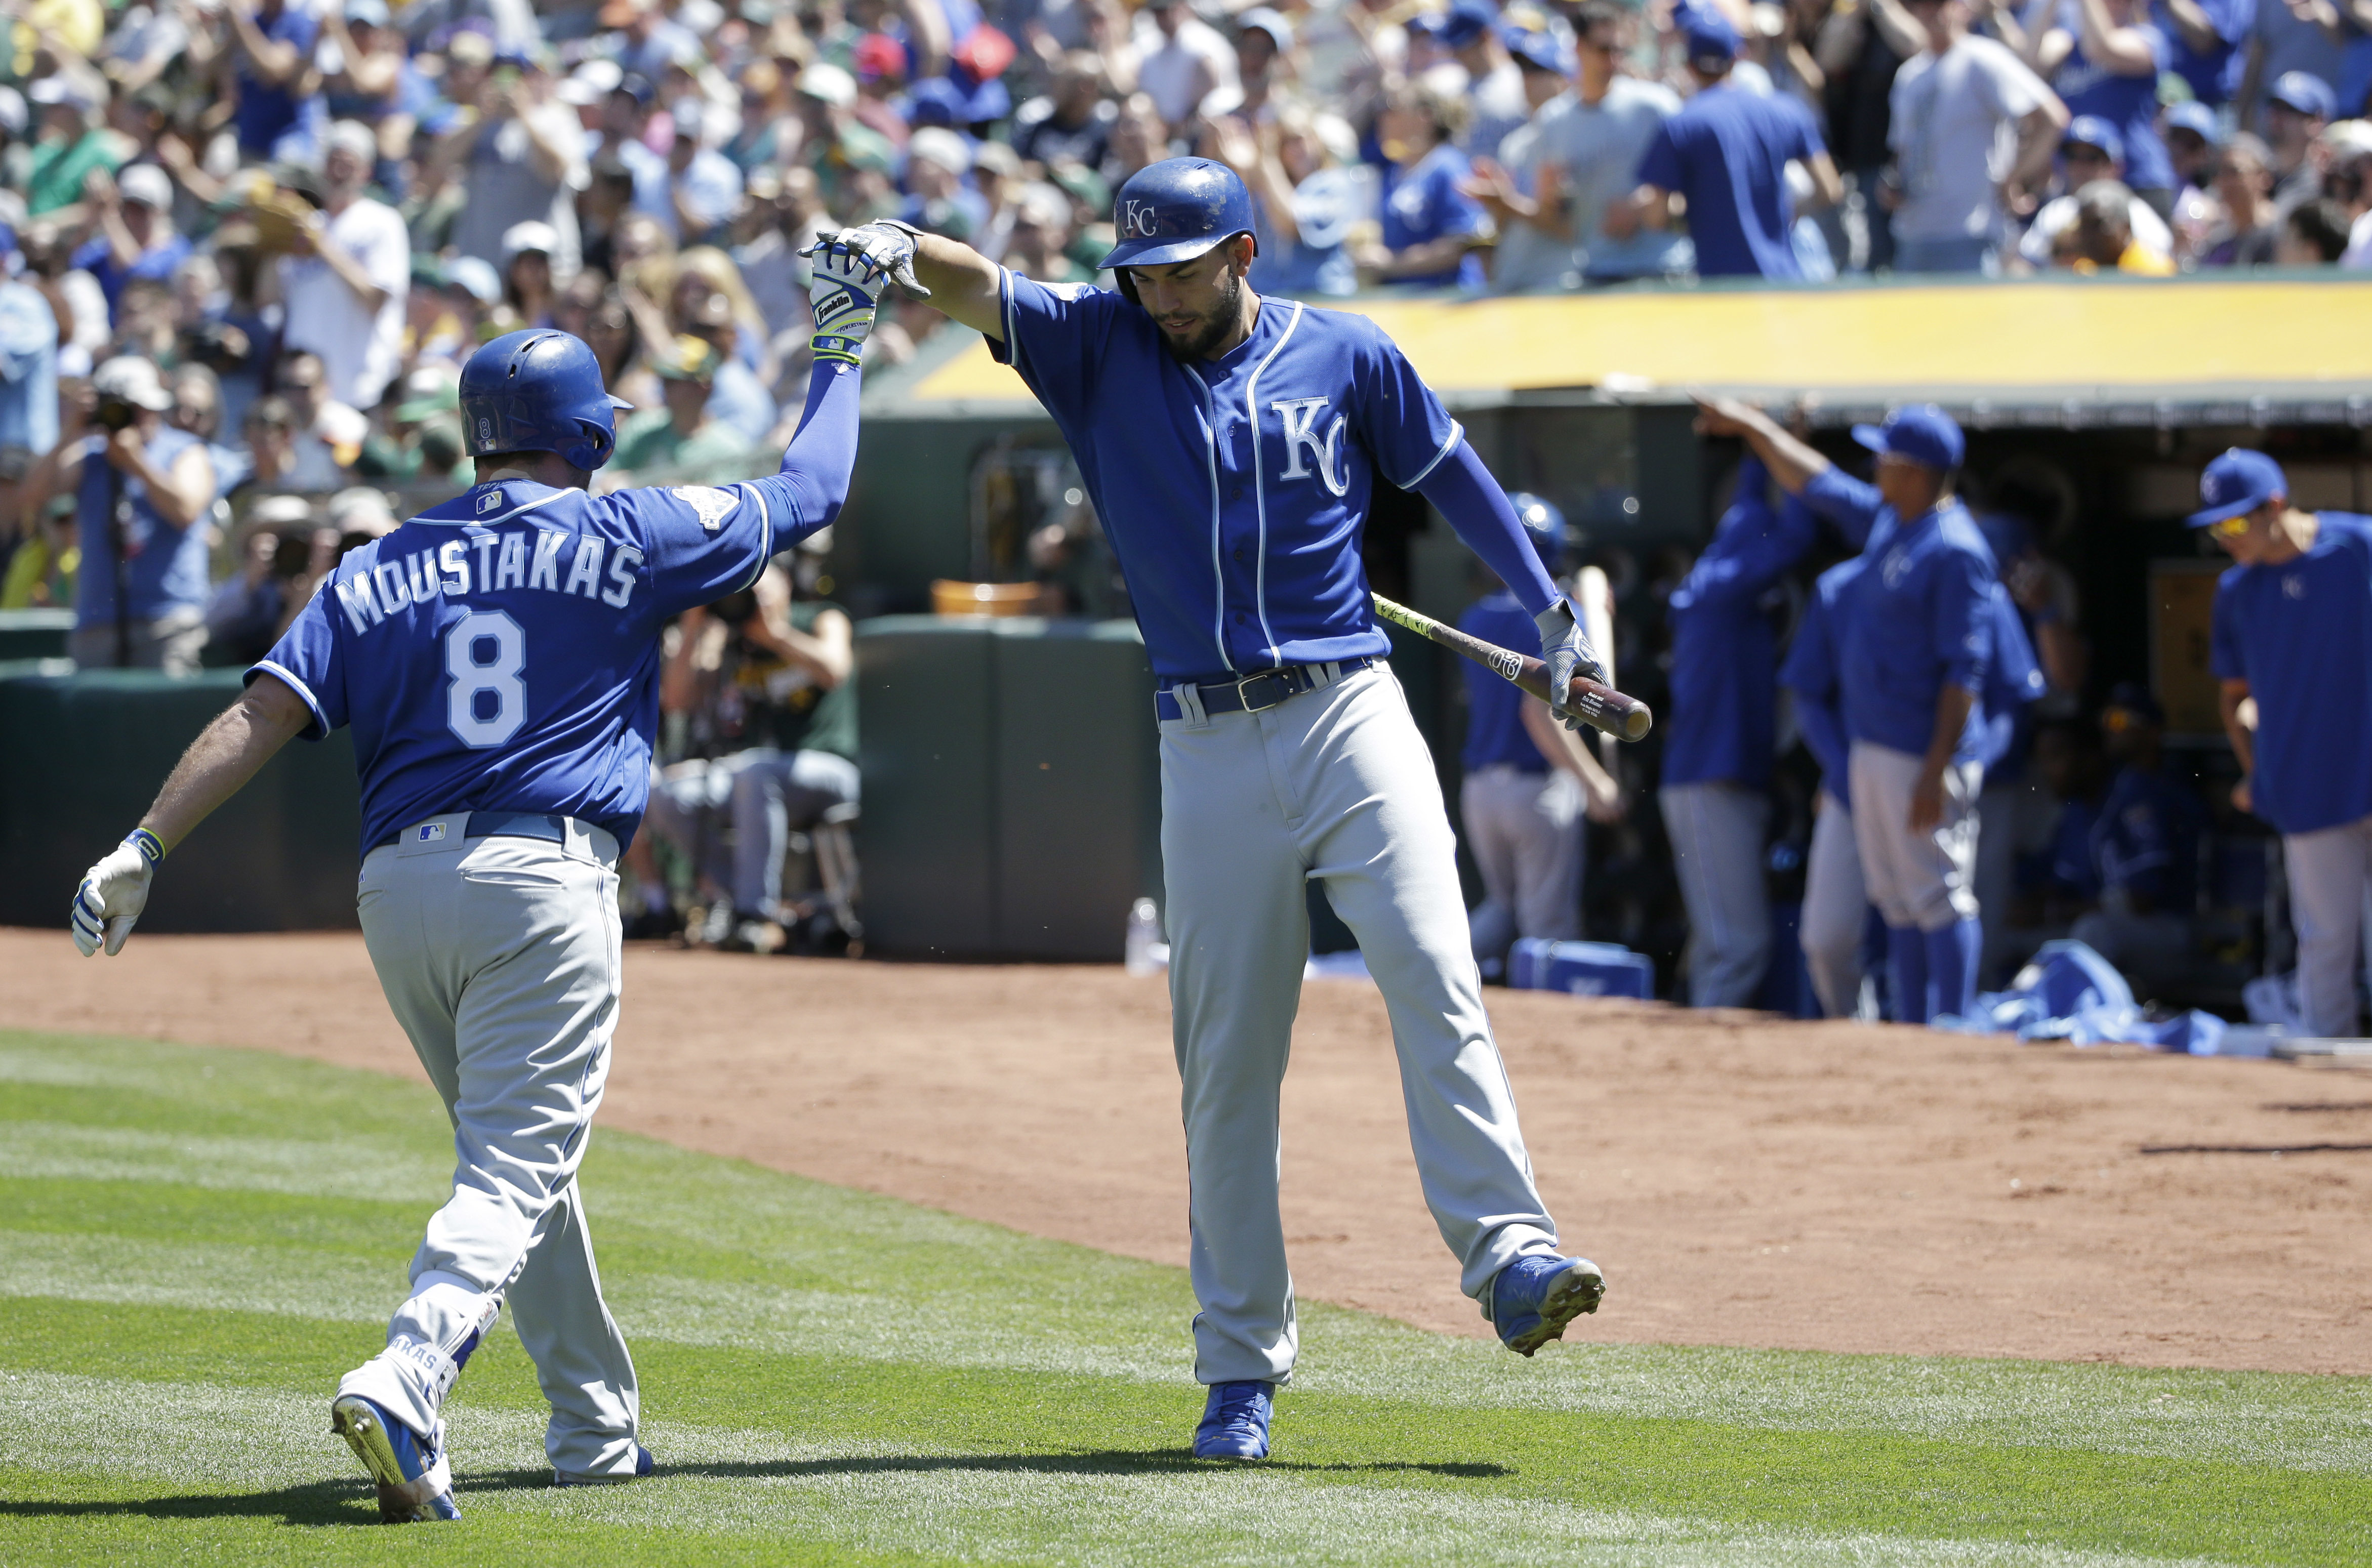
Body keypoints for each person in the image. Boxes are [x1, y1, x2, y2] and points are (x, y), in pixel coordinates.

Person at [64, 248, 879, 1517]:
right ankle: (408, 1370)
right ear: (591, 427)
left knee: (516, 1159)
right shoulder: (629, 525)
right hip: (540, 878)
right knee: (511, 1168)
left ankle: (591, 1428)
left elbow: (265, 711)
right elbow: (813, 487)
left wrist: (145, 843)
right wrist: (839, 338)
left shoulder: (378, 558)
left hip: (398, 895)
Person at [814, 158, 1608, 1461]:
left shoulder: (1347, 352)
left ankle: (1510, 1253)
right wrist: (894, 241)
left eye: (1180, 269)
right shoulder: (1093, 343)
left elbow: (1454, 476)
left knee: (1432, 971)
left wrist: (1552, 614)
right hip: (1206, 737)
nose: (1158, 292)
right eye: (1141, 270)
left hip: (1349, 707)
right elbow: (977, 284)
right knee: (1226, 1067)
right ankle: (1239, 1365)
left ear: (1241, 251)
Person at [1693, 397, 1997, 1021]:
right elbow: (1817, 480)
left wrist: (1937, 764)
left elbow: (1965, 672)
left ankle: (1955, 1030)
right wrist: (1757, 429)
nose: (1875, 468)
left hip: (1922, 752)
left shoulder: (1955, 547)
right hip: (1878, 746)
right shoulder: (1896, 524)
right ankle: (1915, 1030)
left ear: (1914, 471)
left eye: (1885, 459)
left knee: (1940, 896)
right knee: (1900, 901)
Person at [2195, 447, 2372, 1037]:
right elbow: (2233, 697)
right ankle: (2328, 1093)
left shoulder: (2358, 546)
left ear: (2276, 506)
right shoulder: (2236, 591)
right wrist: (2258, 772)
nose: (2227, 536)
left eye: (2237, 522)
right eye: (2217, 526)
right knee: (2325, 941)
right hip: (2307, 784)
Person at [1659, 455, 1818, 1007]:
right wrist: (1793, 462)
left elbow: (1750, 511)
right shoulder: (1722, 592)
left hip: (1715, 778)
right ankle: (1708, 1053)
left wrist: (1762, 451)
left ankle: (1700, 1046)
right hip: (1709, 780)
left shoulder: (1718, 576)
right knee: (1740, 943)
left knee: (1721, 939)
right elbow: (1795, 536)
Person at [634, 560, 860, 947]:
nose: (750, 593)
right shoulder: (731, 640)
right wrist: (695, 623)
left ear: (785, 583)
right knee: (668, 794)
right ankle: (745, 900)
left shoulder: (823, 617)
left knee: (755, 772)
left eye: (759, 583)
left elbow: (835, 669)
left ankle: (756, 915)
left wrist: (776, 636)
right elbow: (676, 700)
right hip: (755, 775)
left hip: (828, 769)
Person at [1458, 493, 1624, 978]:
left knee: (1503, 909)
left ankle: (1434, 973)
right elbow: (1539, 712)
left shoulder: (1476, 616)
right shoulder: (1564, 615)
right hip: (1538, 790)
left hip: (1481, 792)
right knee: (1547, 930)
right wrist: (1595, 783)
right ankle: (1555, 1041)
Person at [1611, 10, 1843, 279]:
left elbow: (1655, 216)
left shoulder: (1681, 125)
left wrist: (1698, 214)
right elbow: (1830, 190)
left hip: (1721, 287)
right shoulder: (1787, 111)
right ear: (1737, 58)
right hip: (1784, 278)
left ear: (1689, 64)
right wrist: (1779, 212)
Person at [23, 355, 219, 675]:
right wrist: (70, 430)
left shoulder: (185, 451)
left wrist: (136, 462)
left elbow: (185, 510)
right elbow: (31, 499)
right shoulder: (90, 457)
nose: (130, 418)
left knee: (169, 721)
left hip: (166, 622)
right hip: (98, 623)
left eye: (137, 409)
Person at [1887, 0, 2067, 274]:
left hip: (1972, 231)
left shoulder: (1983, 58)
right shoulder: (1909, 74)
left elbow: (2051, 119)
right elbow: (1902, 152)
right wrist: (1891, 187)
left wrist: (2013, 178)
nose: (1928, 11)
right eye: (1918, 4)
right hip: (1914, 233)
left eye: (1938, 4)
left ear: (1961, 7)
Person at [2071, 683, 2208, 997]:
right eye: (2107, 720)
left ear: (2152, 732)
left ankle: (2068, 1023)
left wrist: (2061, 910)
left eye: (2121, 721)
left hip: (2174, 931)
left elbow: (2142, 898)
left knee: (2092, 930)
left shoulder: (2158, 792)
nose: (2110, 729)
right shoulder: (2121, 788)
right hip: (2135, 928)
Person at [278, 121, 411, 411]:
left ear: (366, 171)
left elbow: (376, 299)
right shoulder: (307, 222)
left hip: (358, 388)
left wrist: (322, 246)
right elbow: (270, 298)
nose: (338, 171)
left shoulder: (382, 222)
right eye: (332, 162)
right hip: (301, 392)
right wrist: (274, 242)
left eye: (348, 164)